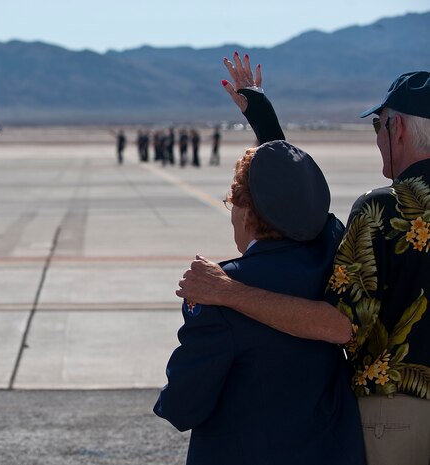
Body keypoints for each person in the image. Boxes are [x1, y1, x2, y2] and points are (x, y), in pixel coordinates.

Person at [177, 52, 430, 465]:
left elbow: (338, 326)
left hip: (398, 415)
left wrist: (228, 291)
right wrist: (267, 127)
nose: (376, 134)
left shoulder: (383, 210)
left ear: (396, 127)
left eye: (376, 124)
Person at [153, 104, 366, 462]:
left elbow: (182, 407)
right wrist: (263, 117)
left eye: (231, 203)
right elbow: (301, 197)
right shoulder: (331, 251)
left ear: (248, 212)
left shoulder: (218, 292)